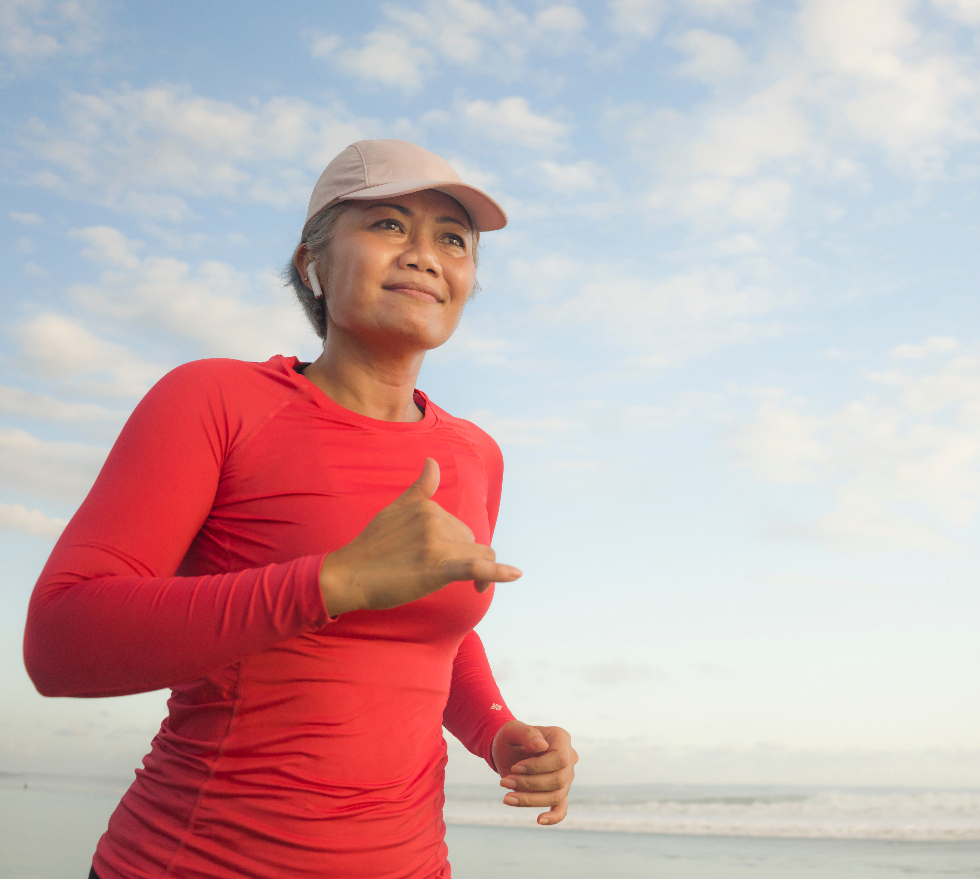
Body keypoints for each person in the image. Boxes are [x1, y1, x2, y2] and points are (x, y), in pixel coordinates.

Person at [23, 140, 577, 879]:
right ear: (312, 263)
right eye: (387, 225)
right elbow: (60, 640)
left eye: (453, 238)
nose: (424, 254)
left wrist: (498, 731)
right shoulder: (216, 400)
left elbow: (433, 631)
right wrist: (332, 581)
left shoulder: (475, 453)